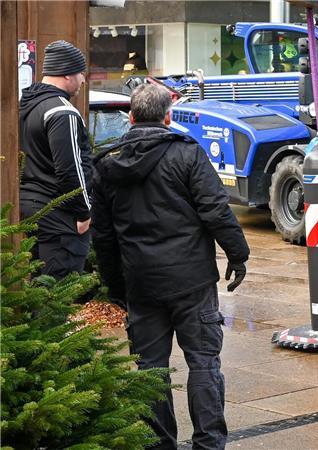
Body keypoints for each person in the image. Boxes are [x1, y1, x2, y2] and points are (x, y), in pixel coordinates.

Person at [92, 83, 250, 449]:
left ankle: (159, 444)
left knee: (151, 371)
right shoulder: (187, 154)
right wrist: (237, 254)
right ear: (168, 117)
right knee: (204, 362)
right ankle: (209, 443)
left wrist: (117, 288)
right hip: (191, 280)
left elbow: (103, 237)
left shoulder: (106, 165)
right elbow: (215, 210)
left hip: (141, 283)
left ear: (130, 118)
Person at [19, 40, 92, 279]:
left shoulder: (25, 107)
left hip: (27, 211)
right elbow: (70, 169)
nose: (83, 80)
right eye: (81, 73)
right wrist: (84, 213)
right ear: (68, 74)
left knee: (35, 293)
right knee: (56, 293)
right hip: (59, 217)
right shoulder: (63, 112)